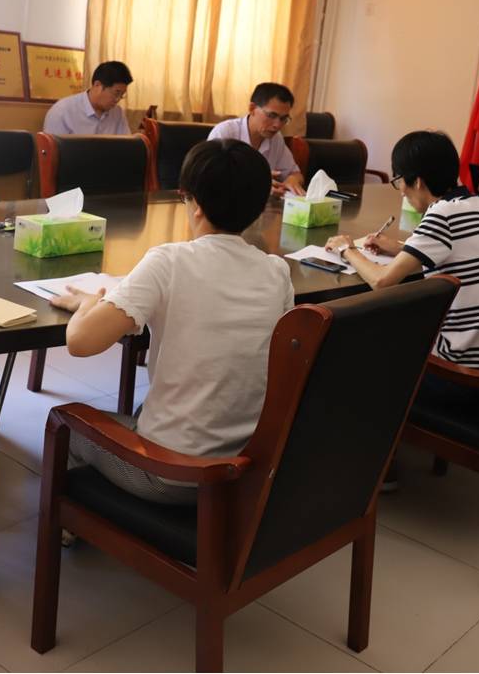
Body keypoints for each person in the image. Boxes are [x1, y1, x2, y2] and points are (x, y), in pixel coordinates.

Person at [48, 139, 294, 504]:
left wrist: (89, 304)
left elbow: (80, 342)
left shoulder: (169, 261)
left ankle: (86, 522)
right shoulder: (277, 271)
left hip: (173, 475)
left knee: (65, 423)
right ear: (259, 208)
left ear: (195, 204)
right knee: (144, 410)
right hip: (243, 470)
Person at [325, 130, 479, 370]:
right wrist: (399, 248)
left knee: (353, 332)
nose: (401, 190)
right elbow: (462, 251)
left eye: (399, 180)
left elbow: (382, 281)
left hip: (453, 363)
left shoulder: (442, 214)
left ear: (418, 181)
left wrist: (346, 249)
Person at [207, 82, 305, 197]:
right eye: (272, 116)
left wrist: (292, 180)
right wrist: (255, 182)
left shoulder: (276, 138)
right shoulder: (225, 132)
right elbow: (209, 177)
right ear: (252, 108)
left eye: (283, 118)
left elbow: (296, 173)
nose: (277, 125)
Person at [42, 61, 133, 136]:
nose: (117, 99)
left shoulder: (117, 113)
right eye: (116, 93)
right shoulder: (62, 112)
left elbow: (125, 147)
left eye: (122, 95)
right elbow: (52, 150)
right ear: (97, 85)